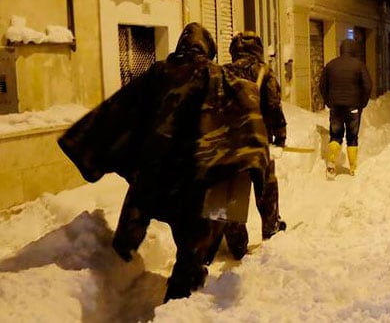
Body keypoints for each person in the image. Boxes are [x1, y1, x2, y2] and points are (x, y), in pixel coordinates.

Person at [58, 23, 270, 302]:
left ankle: (123, 256)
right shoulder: (216, 75)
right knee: (190, 249)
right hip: (193, 177)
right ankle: (178, 301)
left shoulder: (157, 72)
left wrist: (86, 142)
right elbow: (244, 108)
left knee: (137, 217)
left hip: (154, 173)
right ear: (208, 49)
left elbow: (121, 108)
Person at [217, 32, 287, 258]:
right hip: (258, 139)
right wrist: (280, 135)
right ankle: (271, 227)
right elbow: (274, 106)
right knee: (266, 183)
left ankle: (236, 243)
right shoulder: (264, 73)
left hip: (230, 141)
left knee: (233, 189)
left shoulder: (222, 72)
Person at [319, 38, 372, 178]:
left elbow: (322, 85)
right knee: (352, 137)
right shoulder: (359, 65)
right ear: (353, 49)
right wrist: (362, 103)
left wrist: (328, 101)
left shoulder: (331, 65)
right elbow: (367, 86)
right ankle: (353, 167)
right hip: (354, 108)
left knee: (335, 136)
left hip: (335, 107)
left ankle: (331, 163)